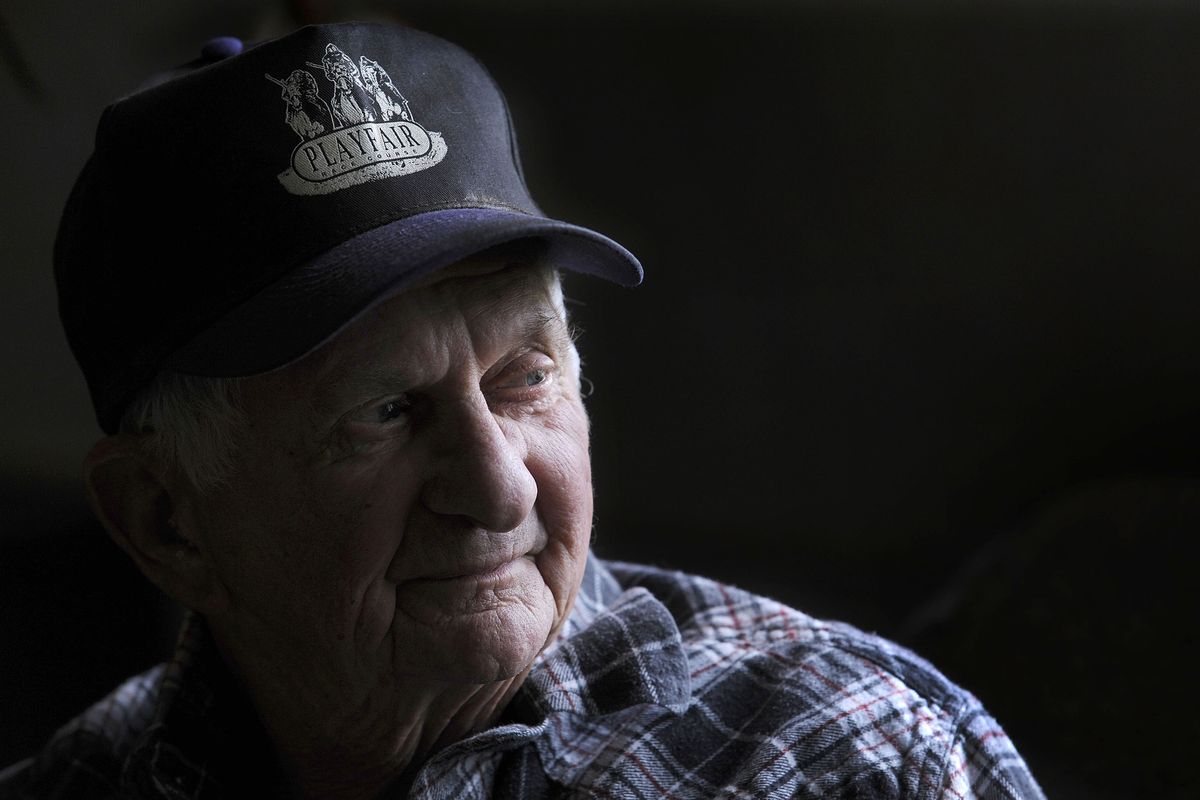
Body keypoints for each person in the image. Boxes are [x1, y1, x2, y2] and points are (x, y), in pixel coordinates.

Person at [0, 22, 1045, 800]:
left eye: (524, 378)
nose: (499, 488)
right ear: (164, 519)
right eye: (385, 409)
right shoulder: (77, 783)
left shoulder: (838, 754)